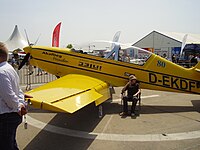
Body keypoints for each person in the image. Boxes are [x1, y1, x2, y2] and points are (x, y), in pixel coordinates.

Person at [0, 42, 32, 150]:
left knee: (6, 146)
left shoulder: (1, 72)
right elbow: (18, 90)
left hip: (6, 116)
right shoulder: (9, 68)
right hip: (10, 115)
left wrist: (18, 107)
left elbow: (9, 96)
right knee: (11, 144)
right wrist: (21, 104)